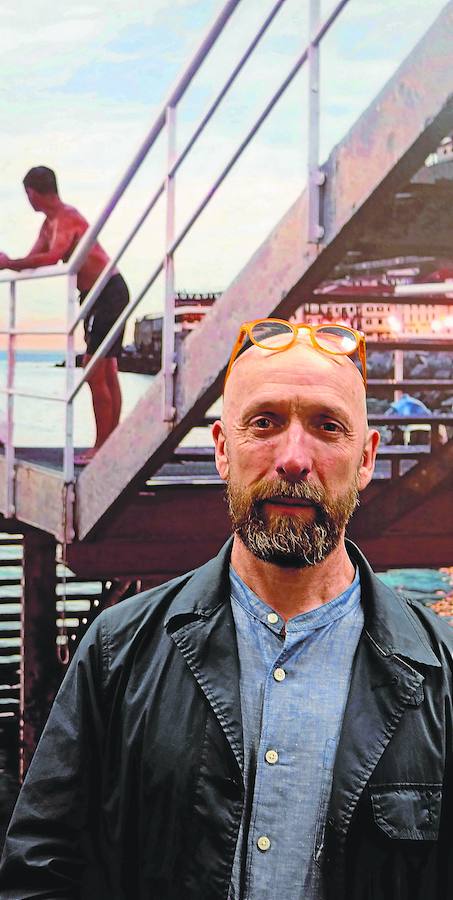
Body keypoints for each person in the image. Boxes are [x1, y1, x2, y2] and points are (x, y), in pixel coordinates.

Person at [1, 319, 453, 900]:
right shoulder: (117, 651)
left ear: (365, 458)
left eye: (327, 426)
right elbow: (41, 869)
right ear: (222, 448)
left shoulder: (442, 676)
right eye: (264, 422)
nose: (294, 459)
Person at [0, 166, 130, 464]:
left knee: (95, 370)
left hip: (108, 291)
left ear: (33, 192)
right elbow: (34, 258)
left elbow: (52, 257)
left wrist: (9, 263)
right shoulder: (49, 224)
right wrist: (11, 262)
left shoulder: (66, 217)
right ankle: (111, 442)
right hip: (94, 295)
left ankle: (102, 447)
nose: (28, 200)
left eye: (28, 194)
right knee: (105, 369)